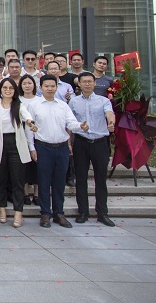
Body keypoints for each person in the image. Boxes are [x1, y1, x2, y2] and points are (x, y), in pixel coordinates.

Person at [29, 75, 89, 228]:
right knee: (43, 181)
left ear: (56, 87)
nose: (50, 89)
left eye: (52, 86)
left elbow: (71, 123)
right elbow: (29, 128)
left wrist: (80, 126)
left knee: (59, 182)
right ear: (41, 88)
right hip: (43, 147)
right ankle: (45, 213)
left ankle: (59, 213)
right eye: (46, 86)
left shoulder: (63, 105)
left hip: (61, 147)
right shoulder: (34, 105)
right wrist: (31, 147)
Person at [0, 78, 38, 228]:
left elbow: (26, 116)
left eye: (11, 88)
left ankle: (18, 212)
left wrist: (30, 122)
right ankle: (1, 208)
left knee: (17, 180)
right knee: (0, 179)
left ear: (15, 90)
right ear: (1, 90)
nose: (8, 90)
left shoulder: (19, 105)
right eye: (5, 88)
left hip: (16, 145)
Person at [69, 72, 116, 227]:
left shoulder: (103, 101)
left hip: (100, 143)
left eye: (90, 81)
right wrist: (69, 143)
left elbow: (109, 114)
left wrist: (111, 122)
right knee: (81, 178)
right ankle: (83, 212)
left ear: (95, 83)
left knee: (100, 178)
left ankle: (102, 213)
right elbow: (69, 122)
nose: (87, 84)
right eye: (84, 82)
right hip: (81, 142)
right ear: (79, 84)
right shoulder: (73, 102)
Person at [18, 74, 41, 206]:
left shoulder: (39, 100)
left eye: (29, 83)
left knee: (37, 165)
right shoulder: (17, 100)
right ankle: (25, 193)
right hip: (20, 133)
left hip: (37, 134)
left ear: (34, 85)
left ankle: (37, 194)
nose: (27, 86)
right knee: (24, 166)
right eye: (24, 83)